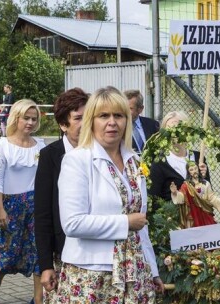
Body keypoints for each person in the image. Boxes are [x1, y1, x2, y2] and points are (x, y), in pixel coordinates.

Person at [56, 86, 164, 302]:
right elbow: (72, 223)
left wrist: (153, 270)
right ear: (92, 121)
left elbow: (141, 223)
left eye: (119, 115)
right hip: (92, 274)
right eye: (104, 115)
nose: (112, 122)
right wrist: (124, 223)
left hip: (135, 271)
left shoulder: (135, 161)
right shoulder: (77, 160)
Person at [0, 99, 46, 304]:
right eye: (26, 118)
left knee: (38, 252)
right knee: (6, 253)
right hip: (10, 205)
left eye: (33, 119)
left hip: (36, 204)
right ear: (16, 118)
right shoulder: (2, 145)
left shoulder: (41, 145)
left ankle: (38, 299)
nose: (29, 122)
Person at [34, 88, 88, 302]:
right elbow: (43, 213)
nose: (86, 123)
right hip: (62, 252)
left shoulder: (100, 151)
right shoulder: (50, 156)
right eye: (78, 118)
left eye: (89, 116)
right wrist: (46, 265)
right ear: (63, 125)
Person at [148, 111, 209, 202]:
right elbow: (154, 199)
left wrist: (203, 178)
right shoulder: (159, 163)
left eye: (178, 128)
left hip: (198, 214)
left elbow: (208, 195)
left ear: (187, 130)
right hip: (171, 214)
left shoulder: (198, 158)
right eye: (169, 129)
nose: (173, 133)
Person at [170, 161, 220, 228]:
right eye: (191, 169)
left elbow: (212, 197)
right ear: (188, 172)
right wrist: (175, 193)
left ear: (198, 169)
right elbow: (182, 197)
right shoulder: (186, 186)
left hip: (205, 212)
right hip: (194, 214)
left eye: (195, 168)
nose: (194, 171)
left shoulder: (205, 183)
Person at [125, 89, 159, 154]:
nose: (125, 112)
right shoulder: (119, 127)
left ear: (140, 109)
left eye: (130, 108)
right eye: (124, 108)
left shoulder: (153, 125)